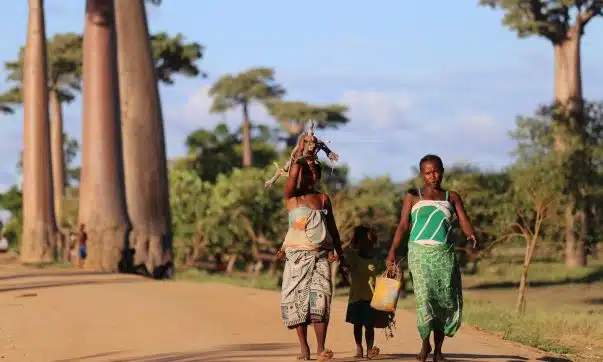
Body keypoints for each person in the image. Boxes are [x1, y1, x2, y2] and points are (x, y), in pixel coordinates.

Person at [387, 154, 478, 362]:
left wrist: (470, 233)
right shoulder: (413, 196)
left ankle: (438, 350)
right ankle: (424, 343)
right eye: (428, 173)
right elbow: (403, 225)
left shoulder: (451, 197)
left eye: (436, 171)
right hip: (418, 254)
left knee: (443, 301)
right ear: (422, 174)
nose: (433, 176)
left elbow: (463, 219)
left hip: (444, 255)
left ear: (442, 171)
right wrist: (393, 250)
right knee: (425, 298)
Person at [276, 135, 346, 361]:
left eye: (314, 172)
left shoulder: (323, 199)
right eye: (305, 173)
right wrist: (302, 151)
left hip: (321, 257)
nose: (309, 176)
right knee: (298, 304)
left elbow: (333, 230)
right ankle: (304, 347)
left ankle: (320, 347)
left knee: (321, 300)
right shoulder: (292, 198)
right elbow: (294, 171)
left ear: (318, 176)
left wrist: (340, 254)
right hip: (297, 259)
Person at [344, 225, 382, 359]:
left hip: (371, 297)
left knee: (369, 325)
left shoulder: (375, 258)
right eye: (363, 241)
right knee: (357, 324)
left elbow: (382, 273)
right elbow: (345, 262)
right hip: (356, 297)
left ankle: (370, 349)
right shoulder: (352, 256)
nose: (366, 244)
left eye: (369, 241)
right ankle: (359, 347)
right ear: (357, 242)